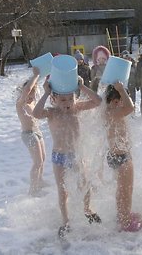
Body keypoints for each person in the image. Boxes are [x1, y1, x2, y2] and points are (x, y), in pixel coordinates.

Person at [33, 76, 103, 238]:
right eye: (62, 100)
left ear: (75, 98)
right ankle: (65, 221)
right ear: (54, 99)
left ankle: (87, 209)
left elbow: (98, 101)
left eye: (70, 99)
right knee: (62, 190)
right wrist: (45, 93)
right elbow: (36, 113)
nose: (66, 103)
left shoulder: (77, 108)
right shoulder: (51, 113)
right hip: (59, 156)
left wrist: (83, 87)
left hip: (76, 154)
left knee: (84, 184)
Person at [104, 82, 142, 232]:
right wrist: (121, 89)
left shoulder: (109, 112)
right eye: (116, 101)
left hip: (116, 155)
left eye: (120, 100)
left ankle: (122, 214)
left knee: (122, 189)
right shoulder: (114, 112)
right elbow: (131, 107)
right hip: (121, 157)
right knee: (126, 190)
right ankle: (125, 221)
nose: (120, 103)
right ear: (109, 100)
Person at [16, 67, 46, 196]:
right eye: (27, 94)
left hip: (37, 132)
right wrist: (35, 76)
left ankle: (39, 181)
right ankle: (33, 189)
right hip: (28, 134)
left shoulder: (33, 103)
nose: (29, 96)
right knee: (37, 162)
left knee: (43, 159)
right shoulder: (20, 103)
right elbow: (27, 89)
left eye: (32, 94)